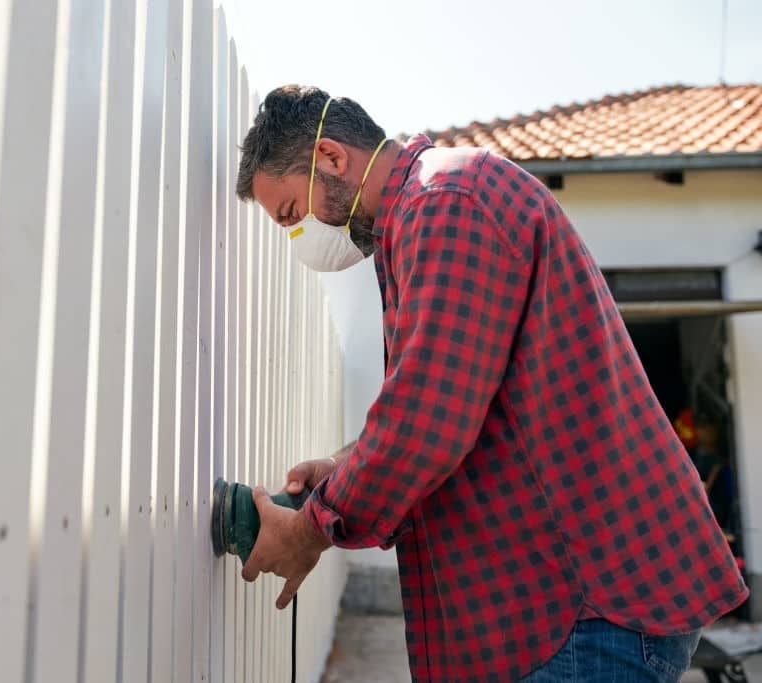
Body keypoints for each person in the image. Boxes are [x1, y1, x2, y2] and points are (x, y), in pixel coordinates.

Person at [234, 85, 748, 682]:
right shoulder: (423, 216)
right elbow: (452, 395)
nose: (301, 239)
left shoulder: (446, 202)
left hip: (586, 609)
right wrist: (344, 465)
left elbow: (427, 421)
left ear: (330, 158)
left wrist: (308, 532)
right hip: (573, 610)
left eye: (294, 215)